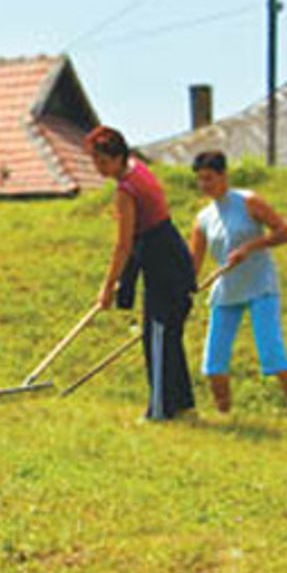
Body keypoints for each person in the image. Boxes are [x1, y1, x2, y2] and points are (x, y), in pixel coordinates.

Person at [85, 126, 198, 422]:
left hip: (163, 264)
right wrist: (125, 285)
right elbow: (137, 239)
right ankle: (182, 405)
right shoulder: (137, 167)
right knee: (169, 337)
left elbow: (123, 244)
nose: (97, 166)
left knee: (157, 337)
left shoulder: (126, 191)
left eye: (102, 160)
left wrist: (107, 287)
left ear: (118, 156)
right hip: (171, 255)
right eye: (94, 160)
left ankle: (159, 411)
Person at [188, 151, 287, 422]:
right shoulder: (204, 218)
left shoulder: (248, 202)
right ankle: (226, 416)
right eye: (200, 180)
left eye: (209, 178)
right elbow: (192, 263)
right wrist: (184, 289)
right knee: (213, 364)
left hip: (260, 287)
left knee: (272, 354)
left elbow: (285, 233)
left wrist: (250, 247)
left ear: (223, 175)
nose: (205, 185)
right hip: (226, 291)